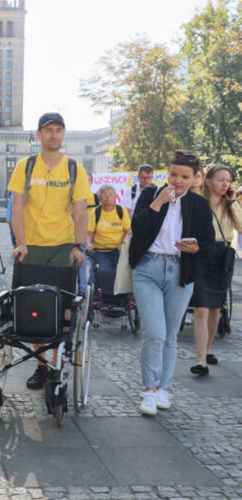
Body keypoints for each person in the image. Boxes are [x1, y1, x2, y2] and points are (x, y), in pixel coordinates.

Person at [7, 112, 90, 388]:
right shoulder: (25, 166)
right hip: (32, 246)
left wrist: (79, 244)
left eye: (59, 130)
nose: (54, 135)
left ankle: (56, 364)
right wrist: (20, 243)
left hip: (63, 246)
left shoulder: (74, 169)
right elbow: (17, 207)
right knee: (34, 307)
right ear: (39, 134)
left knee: (62, 309)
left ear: (63, 134)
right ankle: (41, 366)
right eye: (49, 130)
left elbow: (80, 209)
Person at [130, 151, 214, 416]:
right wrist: (158, 202)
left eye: (184, 177)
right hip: (147, 269)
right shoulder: (150, 194)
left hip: (181, 270)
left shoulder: (199, 205)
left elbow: (209, 245)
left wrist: (196, 247)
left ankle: (164, 387)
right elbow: (138, 228)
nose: (177, 181)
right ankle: (149, 390)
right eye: (173, 174)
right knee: (154, 332)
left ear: (195, 179)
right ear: (166, 173)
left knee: (169, 335)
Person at [190, 164, 242, 376]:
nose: (225, 183)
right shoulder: (199, 203)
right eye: (220, 179)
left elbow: (241, 226)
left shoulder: (231, 204)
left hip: (223, 256)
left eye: (227, 180)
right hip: (202, 255)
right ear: (208, 181)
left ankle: (209, 348)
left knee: (215, 309)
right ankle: (201, 360)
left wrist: (232, 203)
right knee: (201, 308)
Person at [86, 184, 131, 274]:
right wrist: (89, 243)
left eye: (110, 194)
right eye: (104, 195)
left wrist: (123, 244)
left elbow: (128, 231)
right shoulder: (95, 212)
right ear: (100, 198)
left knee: (118, 276)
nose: (107, 197)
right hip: (100, 251)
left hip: (118, 251)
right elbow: (89, 233)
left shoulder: (121, 210)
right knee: (104, 273)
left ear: (115, 197)